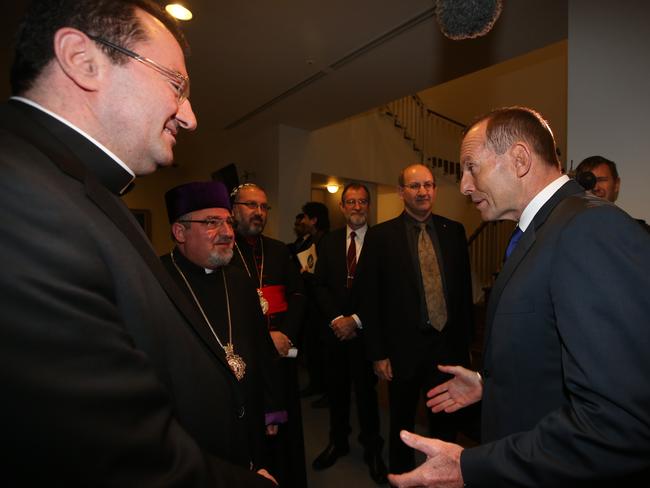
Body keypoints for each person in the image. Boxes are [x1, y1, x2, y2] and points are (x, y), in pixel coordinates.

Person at [0, 1, 274, 485]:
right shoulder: (19, 192)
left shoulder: (71, 186)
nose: (189, 117)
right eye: (177, 86)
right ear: (83, 61)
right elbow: (106, 454)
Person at [389, 107, 650, 487]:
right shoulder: (543, 230)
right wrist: (490, 385)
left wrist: (471, 466)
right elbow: (554, 357)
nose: (463, 185)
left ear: (520, 159)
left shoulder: (590, 227)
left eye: (471, 167)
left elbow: (618, 421)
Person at [356, 164, 474, 474]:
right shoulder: (381, 237)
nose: (423, 191)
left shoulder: (454, 231)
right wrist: (378, 353)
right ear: (401, 192)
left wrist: (467, 348)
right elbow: (369, 299)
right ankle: (402, 477)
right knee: (402, 424)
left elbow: (462, 294)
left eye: (428, 185)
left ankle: (445, 476)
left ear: (435, 189)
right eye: (414, 186)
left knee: (446, 425)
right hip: (402, 350)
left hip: (446, 350)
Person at [161, 181, 285, 474]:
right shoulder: (156, 281)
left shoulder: (240, 280)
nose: (228, 233)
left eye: (228, 221)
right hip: (192, 426)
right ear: (180, 232)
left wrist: (270, 407)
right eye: (211, 223)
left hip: (249, 414)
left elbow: (262, 350)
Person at [229, 182, 309, 488]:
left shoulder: (278, 250)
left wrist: (286, 334)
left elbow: (299, 295)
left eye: (264, 207)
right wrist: (265, 339)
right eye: (251, 205)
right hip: (248, 360)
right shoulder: (225, 251)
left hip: (280, 356)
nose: (259, 212)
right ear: (234, 210)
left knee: (286, 436)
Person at [311, 182, 388, 484]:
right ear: (342, 207)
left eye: (362, 202)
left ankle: (372, 449)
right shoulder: (328, 242)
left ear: (368, 207)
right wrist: (337, 320)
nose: (357, 207)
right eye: (351, 202)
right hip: (335, 335)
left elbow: (385, 292)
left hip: (367, 336)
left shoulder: (382, 242)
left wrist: (355, 321)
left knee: (368, 398)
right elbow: (318, 285)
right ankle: (338, 442)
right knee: (337, 393)